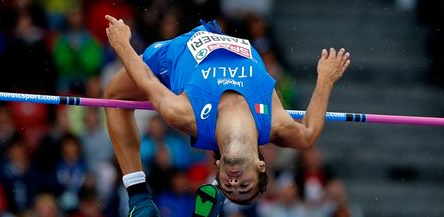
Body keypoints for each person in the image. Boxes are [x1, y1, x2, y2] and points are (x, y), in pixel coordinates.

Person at [103, 15, 350, 217]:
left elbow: (146, 81)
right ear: (261, 166)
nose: (234, 183)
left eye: (229, 187)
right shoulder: (274, 123)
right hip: (226, 38)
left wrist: (124, 44)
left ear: (218, 168)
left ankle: (139, 198)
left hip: (172, 56)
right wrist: (325, 80)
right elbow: (309, 132)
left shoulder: (187, 116)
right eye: (245, 185)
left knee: (113, 96)